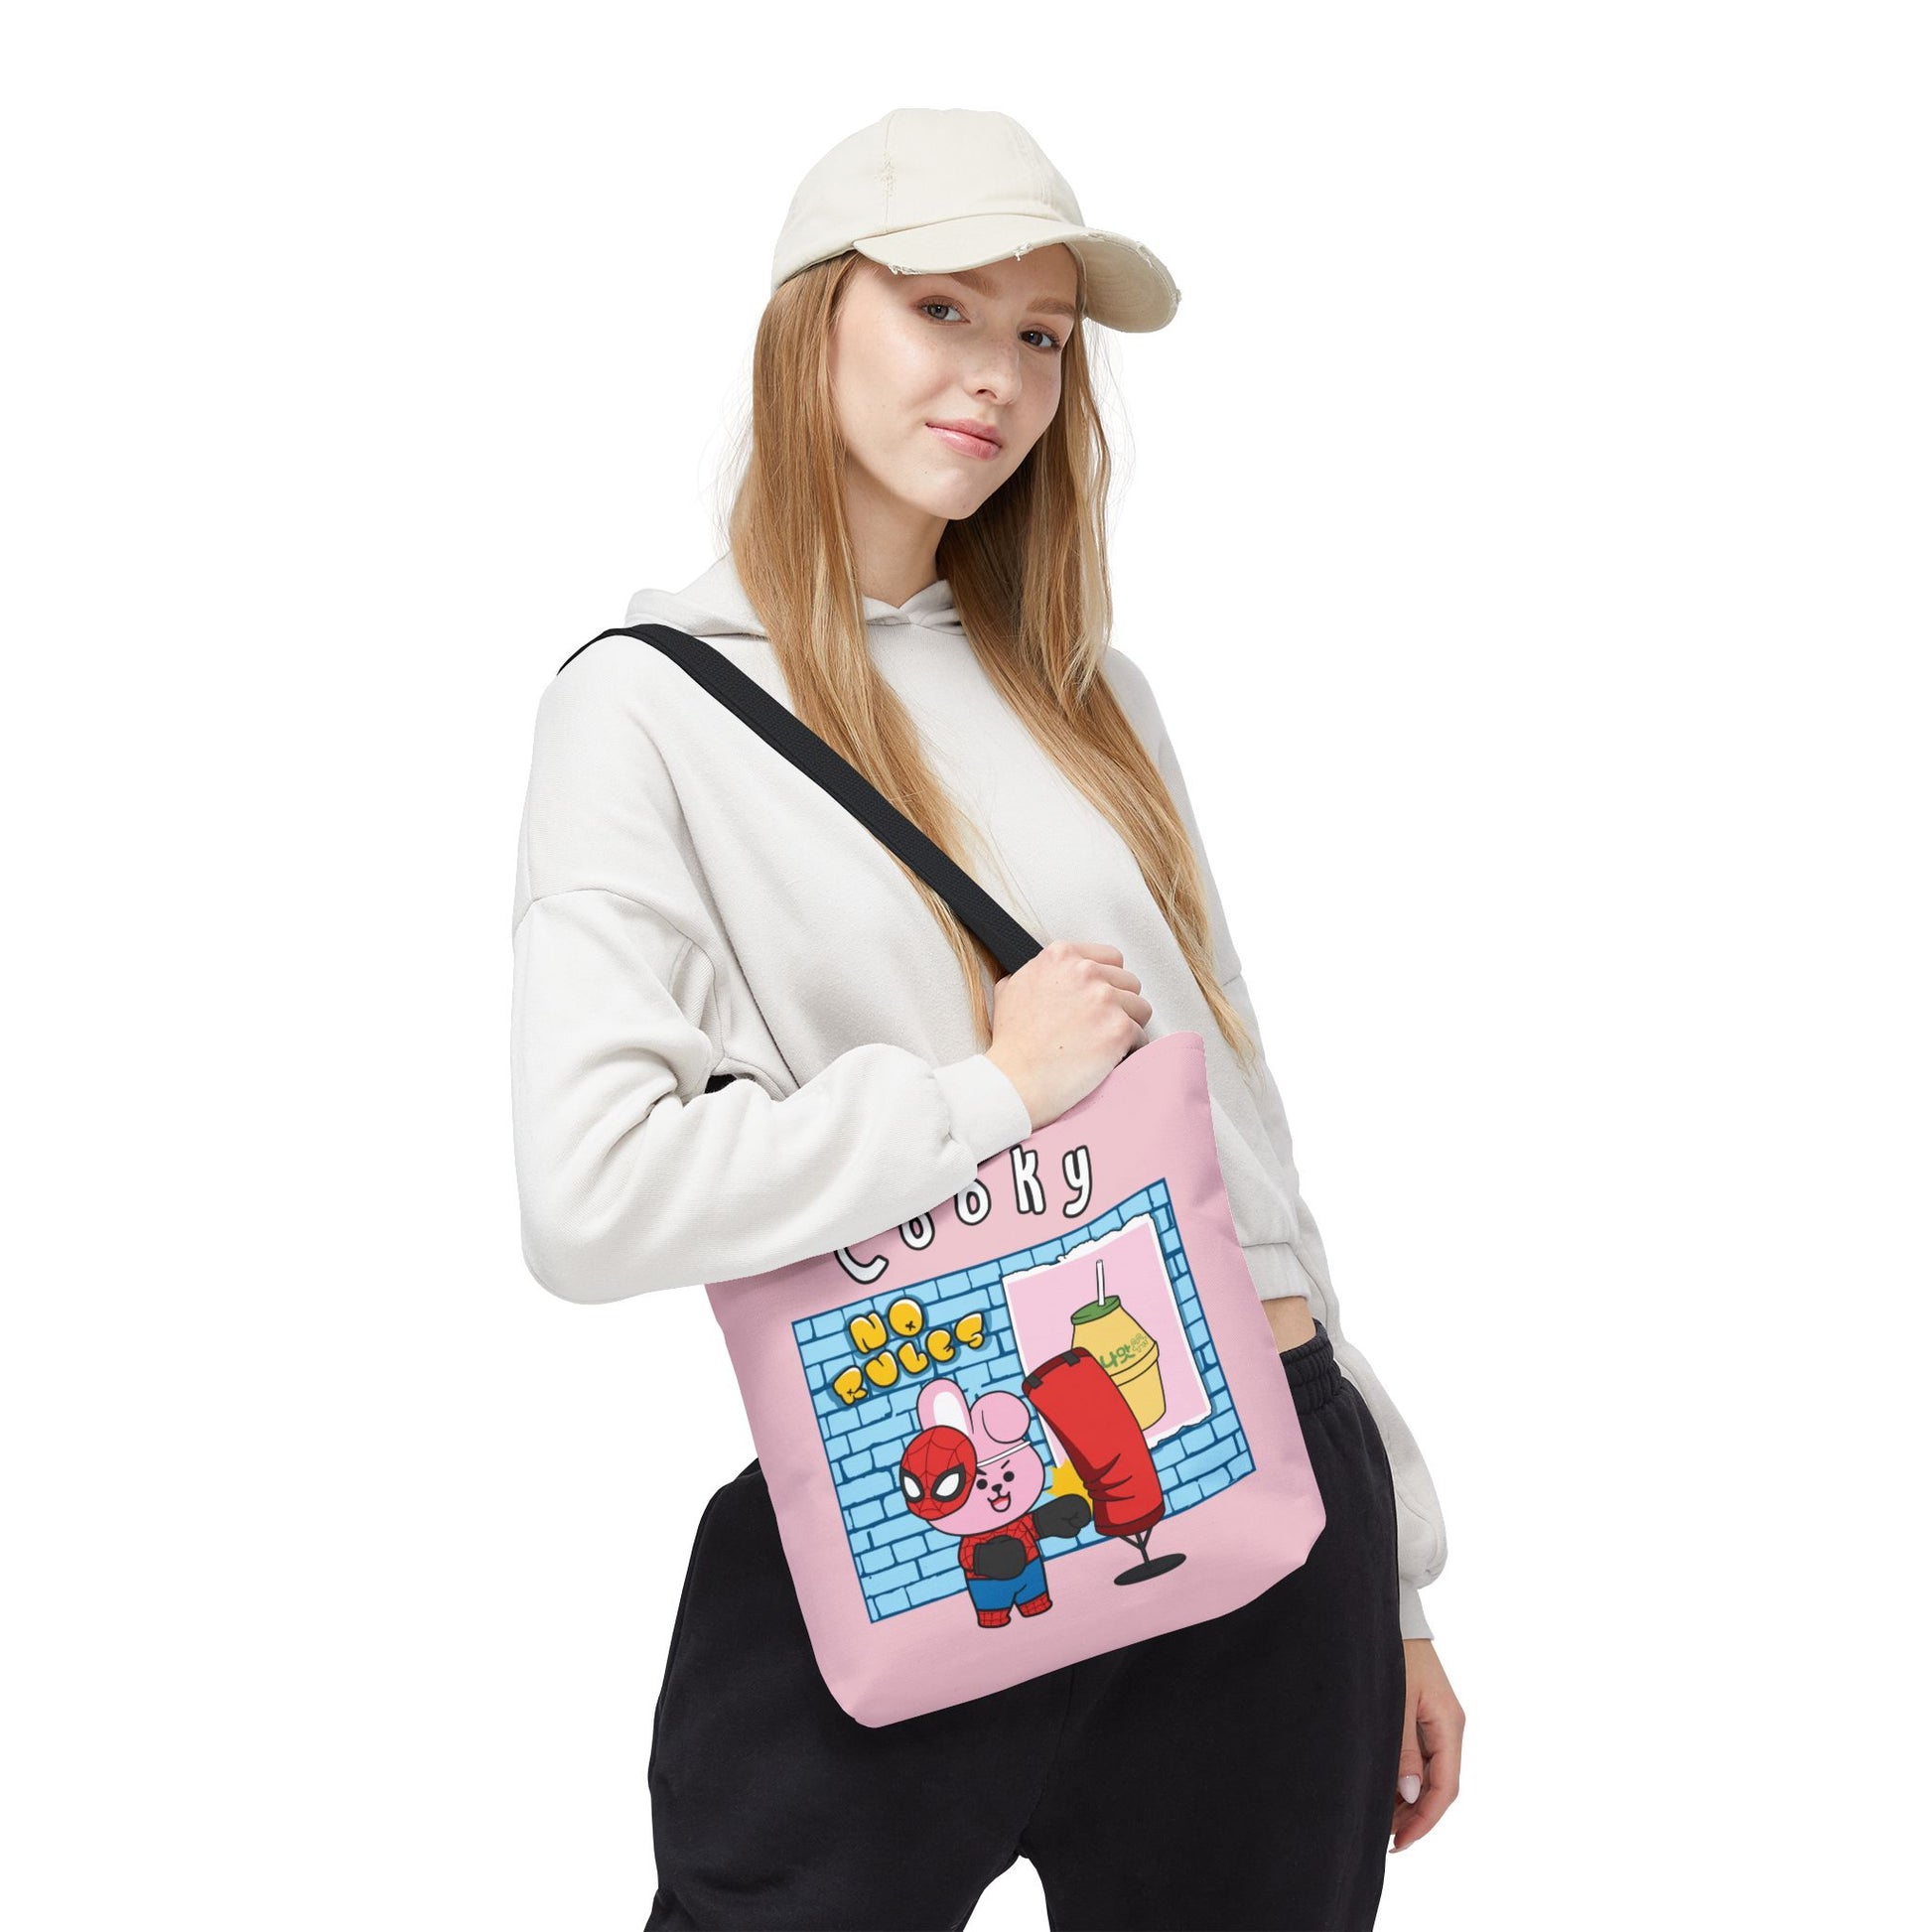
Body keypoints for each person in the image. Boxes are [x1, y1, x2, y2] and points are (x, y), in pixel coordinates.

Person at [510, 107, 1463, 1932]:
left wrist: (1398, 1575)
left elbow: (1237, 1140)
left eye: (1039, 335)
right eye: (941, 307)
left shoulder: (1089, 691)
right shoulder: (650, 710)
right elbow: (591, 1193)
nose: (1000, 378)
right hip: (917, 1488)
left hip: (1257, 1494)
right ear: (810, 323)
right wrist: (990, 1092)